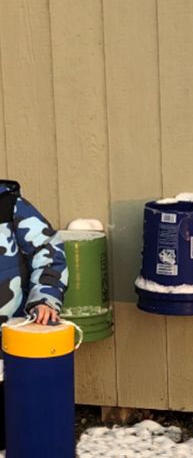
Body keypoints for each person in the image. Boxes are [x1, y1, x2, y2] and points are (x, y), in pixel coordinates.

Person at [0, 180, 68, 449]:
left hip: (11, 354)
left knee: (19, 438)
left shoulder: (8, 206)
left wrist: (45, 299)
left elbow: (49, 253)